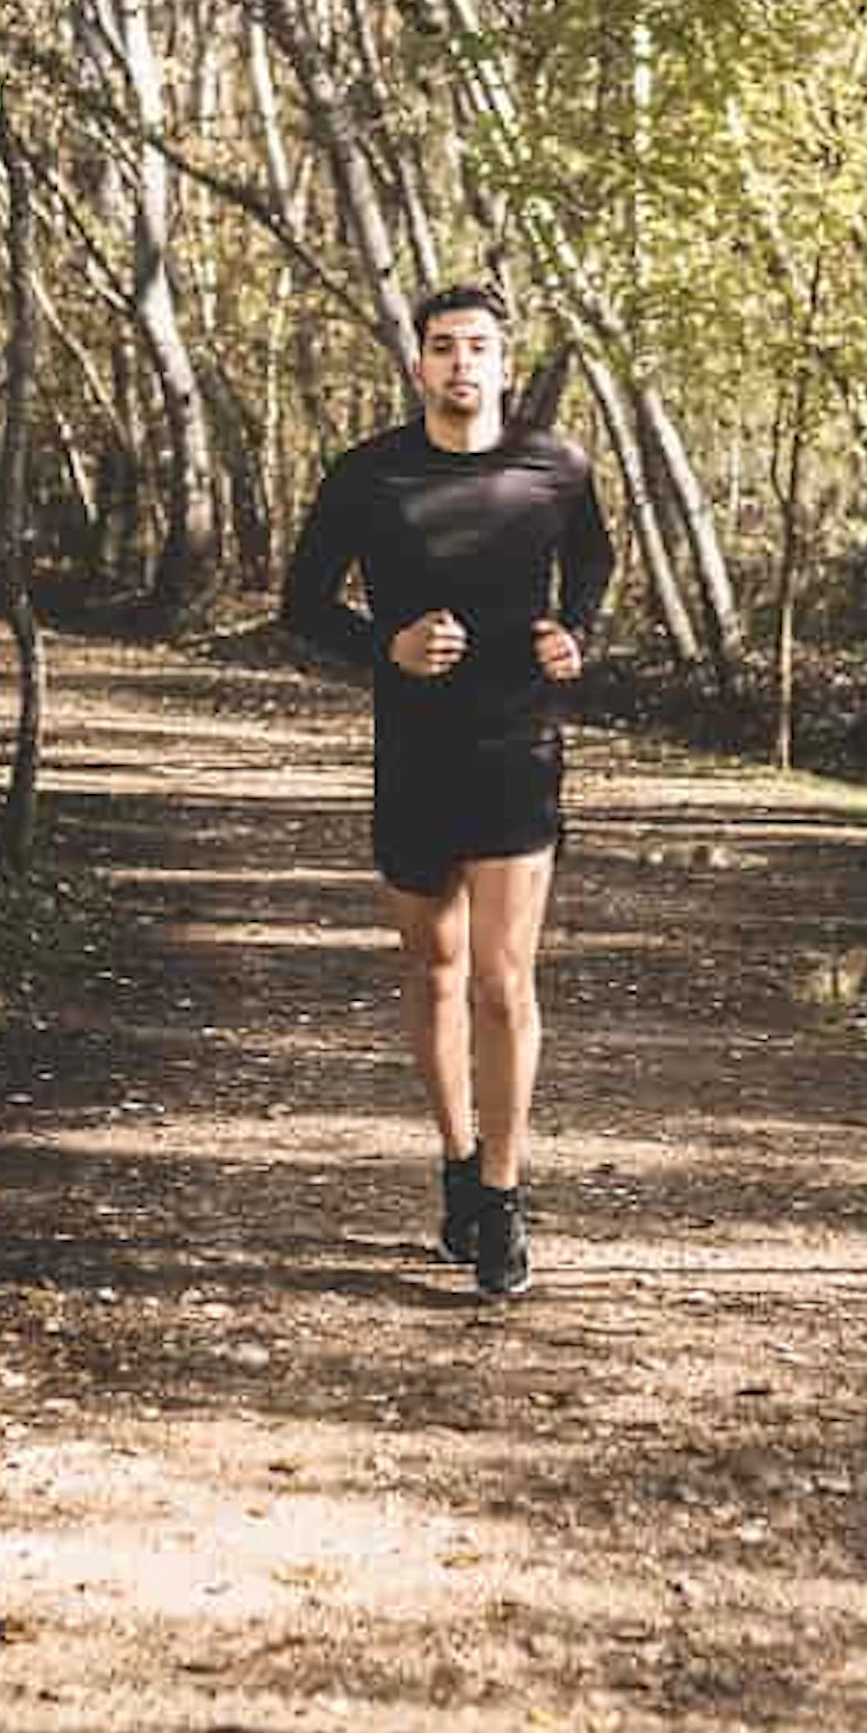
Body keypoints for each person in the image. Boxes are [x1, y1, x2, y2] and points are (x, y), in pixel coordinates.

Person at [279, 283, 615, 1298]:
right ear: (418, 367)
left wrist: (576, 632)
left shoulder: (554, 467)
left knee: (503, 980)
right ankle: (461, 1161)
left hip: (516, 748)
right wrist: (387, 645)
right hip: (413, 754)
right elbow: (301, 603)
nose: (461, 362)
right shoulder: (368, 476)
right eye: (442, 347)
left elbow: (590, 560)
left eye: (478, 345)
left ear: (502, 364)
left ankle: (505, 1205)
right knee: (432, 968)